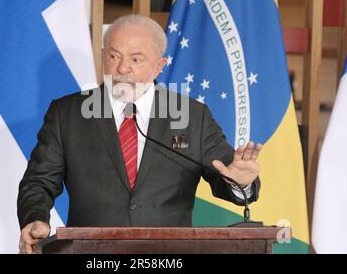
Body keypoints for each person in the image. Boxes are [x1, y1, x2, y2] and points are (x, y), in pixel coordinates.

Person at [17, 14, 262, 254]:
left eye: (136, 60)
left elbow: (225, 176)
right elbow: (39, 181)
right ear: (103, 56)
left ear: (159, 66)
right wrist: (35, 219)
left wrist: (242, 183)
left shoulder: (192, 116)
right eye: (114, 56)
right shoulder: (68, 113)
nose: (122, 68)